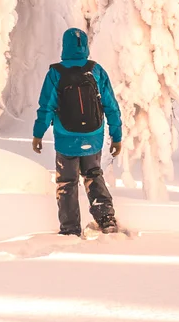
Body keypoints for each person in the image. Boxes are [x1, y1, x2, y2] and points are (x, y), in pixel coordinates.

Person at [32, 27, 123, 236]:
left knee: (66, 182)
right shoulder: (96, 70)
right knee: (93, 175)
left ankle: (70, 229)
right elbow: (111, 106)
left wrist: (38, 134)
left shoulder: (55, 73)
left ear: (64, 46)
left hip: (66, 138)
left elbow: (46, 107)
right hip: (93, 136)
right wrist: (116, 136)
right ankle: (106, 219)